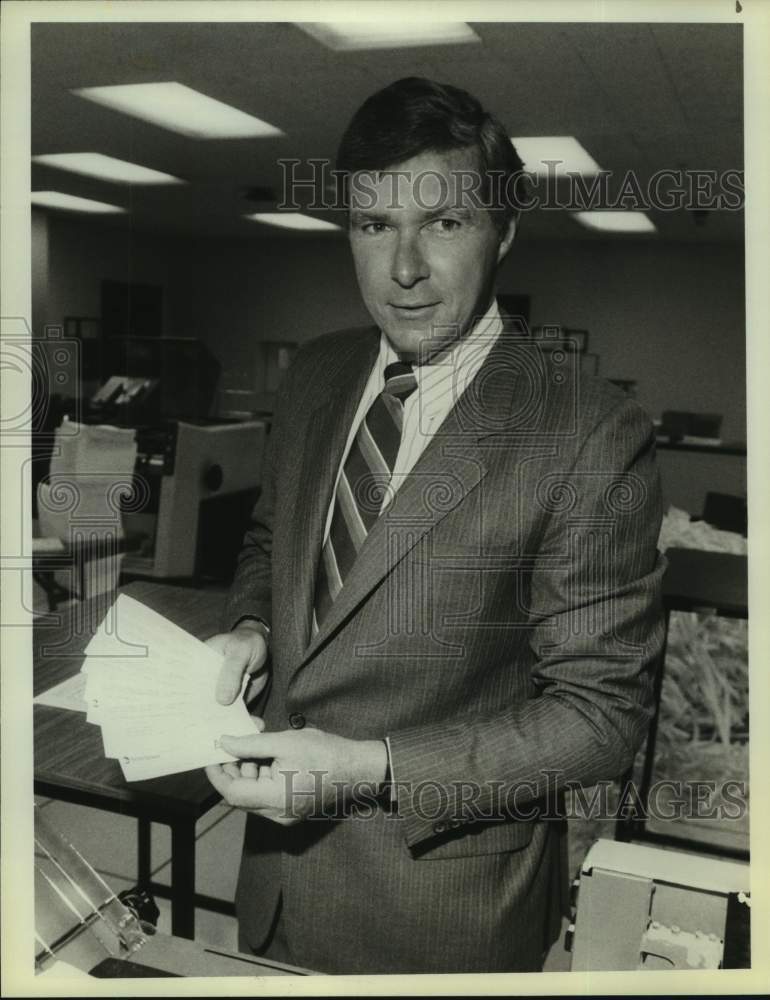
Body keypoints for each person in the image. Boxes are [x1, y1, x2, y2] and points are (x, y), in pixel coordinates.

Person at [205, 76, 665, 975]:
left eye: (443, 223)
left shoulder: (587, 430)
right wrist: (255, 627)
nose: (403, 267)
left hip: (442, 916)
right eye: (374, 226)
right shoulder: (317, 372)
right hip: (271, 887)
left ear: (504, 232)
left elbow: (599, 718)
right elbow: (270, 542)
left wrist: (367, 767)